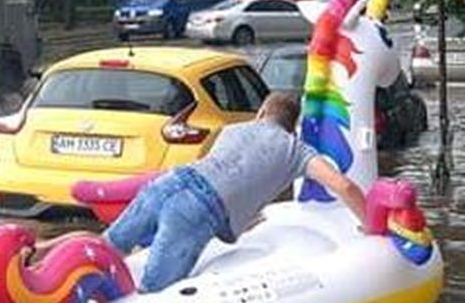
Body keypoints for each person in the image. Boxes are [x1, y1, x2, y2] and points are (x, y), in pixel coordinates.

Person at [93, 91, 366, 292]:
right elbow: (344, 186)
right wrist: (370, 225)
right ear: (293, 126)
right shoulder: (297, 151)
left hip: (169, 182)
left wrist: (241, 219)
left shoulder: (231, 130)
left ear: (261, 113)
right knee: (153, 293)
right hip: (196, 211)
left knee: (106, 248)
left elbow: (226, 174)